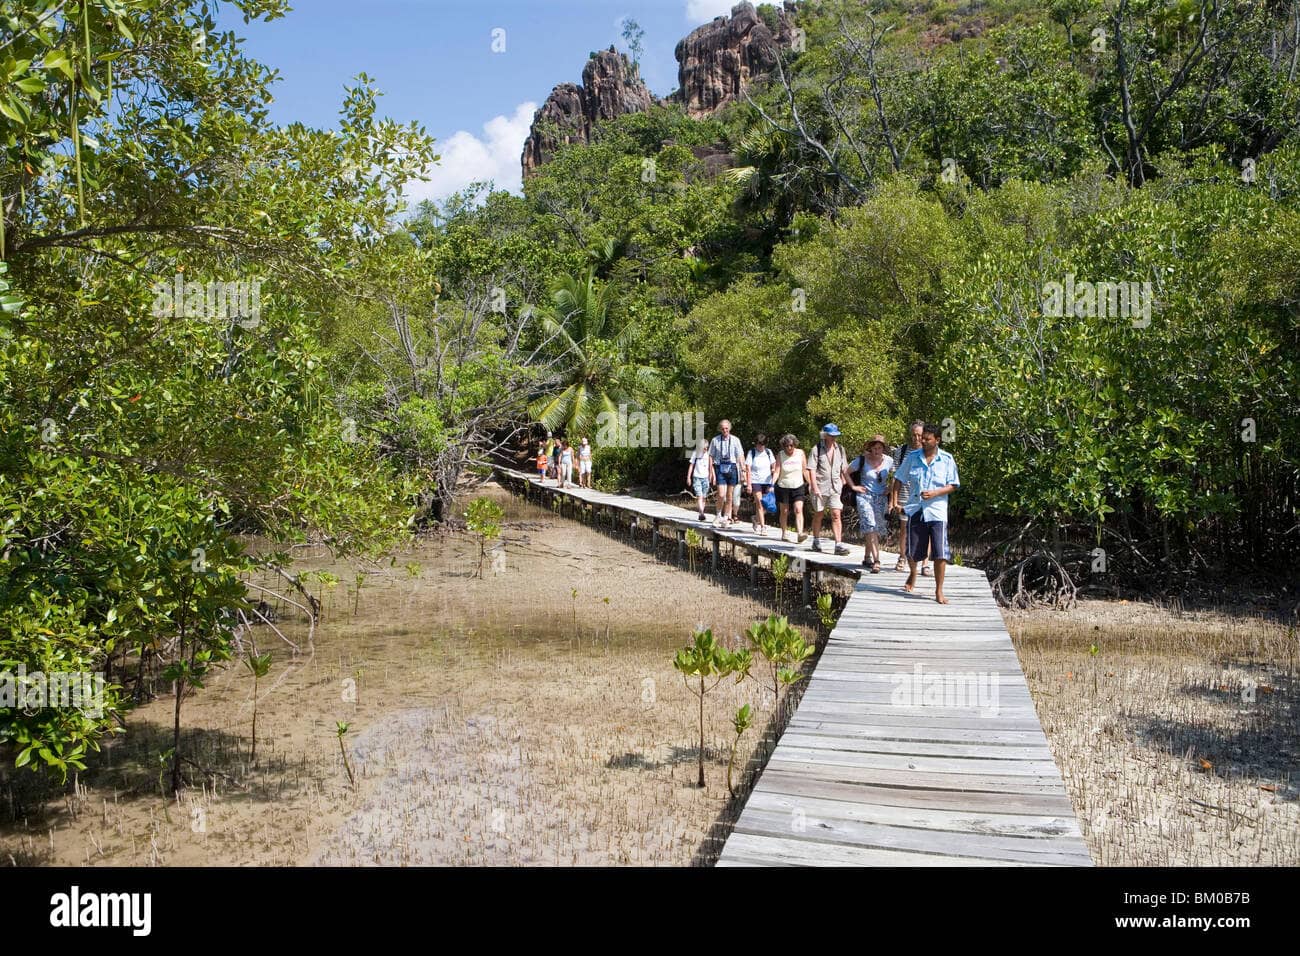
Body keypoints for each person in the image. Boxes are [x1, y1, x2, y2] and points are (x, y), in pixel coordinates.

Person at [890, 422, 960, 604]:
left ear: (937, 440)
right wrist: (895, 501)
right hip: (916, 508)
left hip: (937, 512)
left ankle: (939, 591)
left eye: (927, 439)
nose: (923, 441)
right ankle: (913, 573)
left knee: (940, 552)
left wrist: (935, 493)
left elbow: (953, 484)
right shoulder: (912, 457)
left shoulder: (947, 459)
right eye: (922, 438)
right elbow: (898, 478)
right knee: (912, 551)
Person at [850, 435, 894, 573]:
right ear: (870, 448)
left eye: (880, 448)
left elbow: (898, 476)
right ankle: (877, 561)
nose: (877, 450)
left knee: (876, 529)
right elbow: (845, 471)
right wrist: (853, 487)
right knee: (870, 525)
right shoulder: (862, 460)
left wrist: (890, 488)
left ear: (883, 448)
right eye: (874, 448)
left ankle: (867, 557)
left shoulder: (889, 461)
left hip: (880, 497)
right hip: (865, 496)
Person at [808, 424, 853, 556]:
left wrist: (846, 482)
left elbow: (844, 468)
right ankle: (816, 540)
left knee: (836, 514)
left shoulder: (840, 449)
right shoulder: (816, 449)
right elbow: (811, 469)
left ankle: (838, 544)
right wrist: (814, 487)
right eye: (831, 435)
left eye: (835, 435)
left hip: (835, 487)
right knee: (819, 514)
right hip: (820, 487)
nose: (834, 438)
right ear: (825, 435)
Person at [891, 421, 926, 575]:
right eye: (914, 435)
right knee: (904, 529)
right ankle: (902, 557)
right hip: (905, 495)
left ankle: (925, 563)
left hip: (924, 496)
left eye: (919, 435)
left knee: (926, 529)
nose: (916, 438)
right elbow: (895, 477)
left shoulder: (929, 451)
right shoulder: (901, 451)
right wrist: (893, 500)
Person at [708, 419, 744, 528]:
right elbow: (710, 456)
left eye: (726, 428)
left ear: (729, 428)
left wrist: (743, 470)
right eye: (723, 428)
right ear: (720, 429)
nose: (725, 430)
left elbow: (740, 455)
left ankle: (726, 517)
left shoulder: (735, 440)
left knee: (729, 496)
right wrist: (711, 471)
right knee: (721, 494)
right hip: (720, 467)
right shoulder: (715, 440)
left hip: (732, 467)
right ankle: (718, 514)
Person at [774, 434, 810, 544]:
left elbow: (805, 470)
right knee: (784, 511)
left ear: (794, 445)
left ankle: (800, 533)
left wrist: (811, 483)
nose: (789, 448)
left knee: (798, 509)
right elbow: (777, 471)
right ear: (783, 446)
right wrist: (771, 484)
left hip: (798, 485)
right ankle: (784, 532)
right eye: (786, 446)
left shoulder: (800, 453)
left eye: (791, 445)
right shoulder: (780, 455)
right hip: (783, 485)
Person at [744, 433, 777, 535]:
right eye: (758, 444)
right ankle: (763, 527)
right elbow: (748, 469)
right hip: (756, 481)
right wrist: (749, 484)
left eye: (762, 444)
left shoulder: (768, 452)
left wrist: (773, 469)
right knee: (759, 503)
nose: (760, 446)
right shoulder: (752, 452)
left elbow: (774, 464)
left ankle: (755, 518)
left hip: (767, 481)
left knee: (767, 505)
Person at [687, 438, 715, 522]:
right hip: (697, 477)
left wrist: (714, 477)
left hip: (706, 478)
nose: (705, 449)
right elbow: (691, 465)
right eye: (704, 448)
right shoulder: (696, 453)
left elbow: (711, 466)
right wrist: (688, 477)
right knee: (699, 496)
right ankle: (701, 513)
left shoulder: (709, 454)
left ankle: (701, 512)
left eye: (707, 448)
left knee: (704, 497)